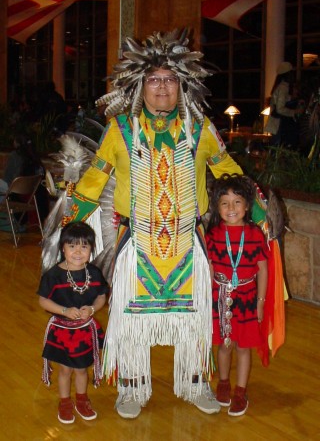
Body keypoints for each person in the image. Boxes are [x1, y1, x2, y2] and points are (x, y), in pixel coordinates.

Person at [58, 29, 276, 419]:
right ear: (140, 85)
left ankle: (194, 382)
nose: (162, 87)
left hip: (185, 242)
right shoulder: (121, 129)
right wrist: (70, 214)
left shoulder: (200, 129)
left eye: (171, 79)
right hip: (137, 240)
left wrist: (258, 211)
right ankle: (131, 388)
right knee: (130, 320)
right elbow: (96, 177)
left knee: (191, 318)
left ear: (183, 86)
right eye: (154, 79)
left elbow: (226, 170)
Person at [205, 174, 269, 417]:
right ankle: (223, 383)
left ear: (247, 206)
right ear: (217, 207)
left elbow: (262, 269)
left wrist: (260, 304)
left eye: (237, 202)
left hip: (247, 299)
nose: (231, 208)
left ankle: (240, 391)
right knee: (224, 345)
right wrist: (206, 301)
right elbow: (209, 269)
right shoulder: (212, 236)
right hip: (220, 298)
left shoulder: (254, 235)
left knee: (244, 347)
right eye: (224, 203)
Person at [37, 221, 108, 424]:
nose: (78, 251)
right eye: (72, 246)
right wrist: (64, 311)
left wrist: (93, 309)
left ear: (91, 250)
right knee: (65, 370)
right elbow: (43, 300)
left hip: (85, 331)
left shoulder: (93, 273)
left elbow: (102, 296)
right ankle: (65, 401)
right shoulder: (53, 275)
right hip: (61, 332)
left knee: (81, 369)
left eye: (84, 246)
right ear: (63, 248)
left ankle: (82, 399)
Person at [265, 61, 304, 149]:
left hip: (278, 125)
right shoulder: (283, 87)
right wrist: (295, 111)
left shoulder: (281, 86)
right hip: (280, 125)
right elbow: (280, 109)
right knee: (278, 150)